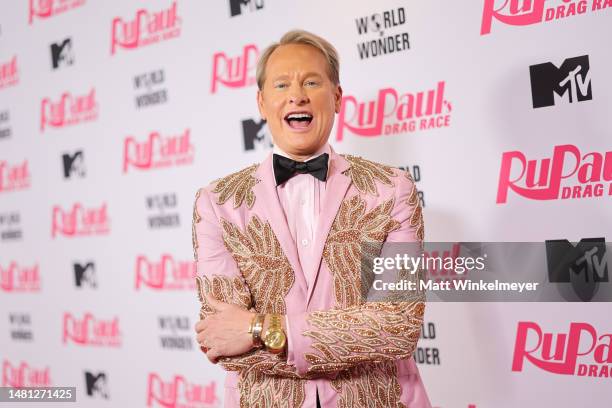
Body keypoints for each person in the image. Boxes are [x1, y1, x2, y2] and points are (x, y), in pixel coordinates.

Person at [193, 29, 431, 408]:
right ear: (261, 101)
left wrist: (260, 329)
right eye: (282, 83)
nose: (297, 94)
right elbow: (224, 340)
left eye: (312, 81)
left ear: (336, 97)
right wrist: (348, 338)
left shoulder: (391, 189)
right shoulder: (218, 203)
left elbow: (397, 327)